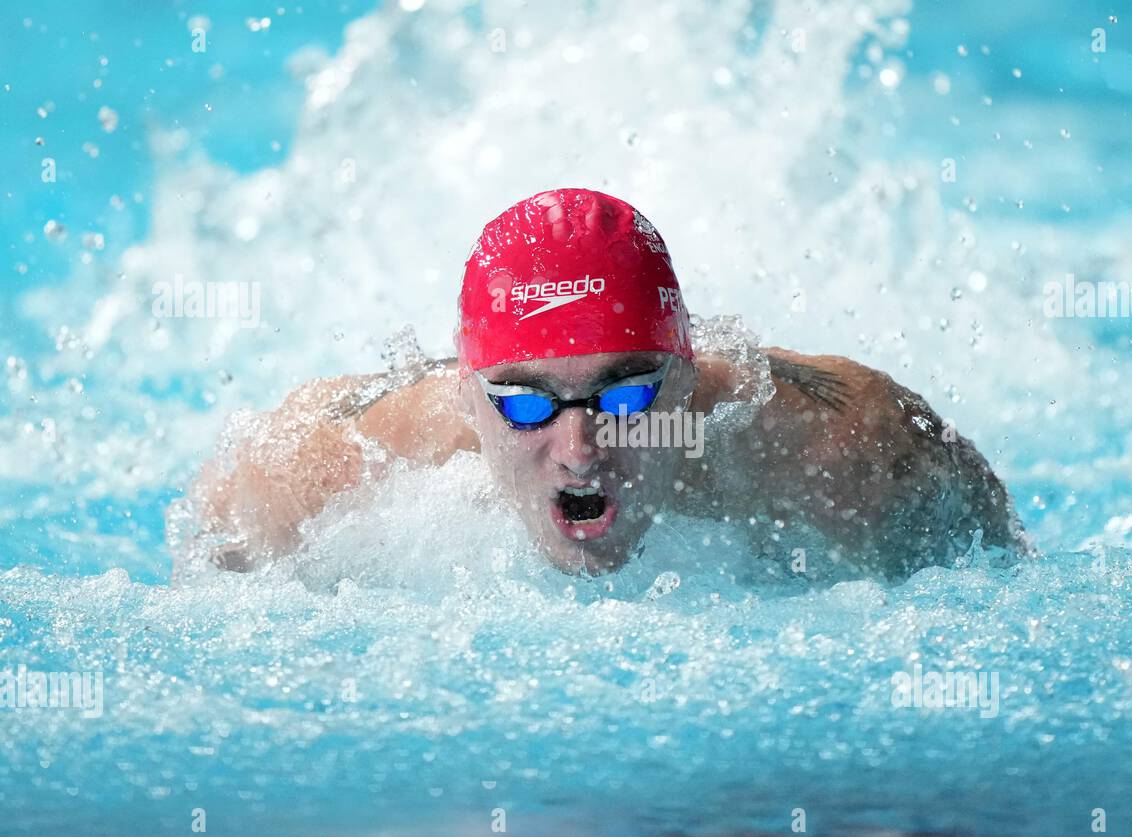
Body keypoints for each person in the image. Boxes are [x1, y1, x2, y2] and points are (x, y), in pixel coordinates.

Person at [185, 187, 1029, 580]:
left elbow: (1008, 579)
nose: (581, 452)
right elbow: (209, 560)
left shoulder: (849, 448)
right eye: (523, 403)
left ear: (686, 375)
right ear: (465, 394)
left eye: (625, 396)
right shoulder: (328, 463)